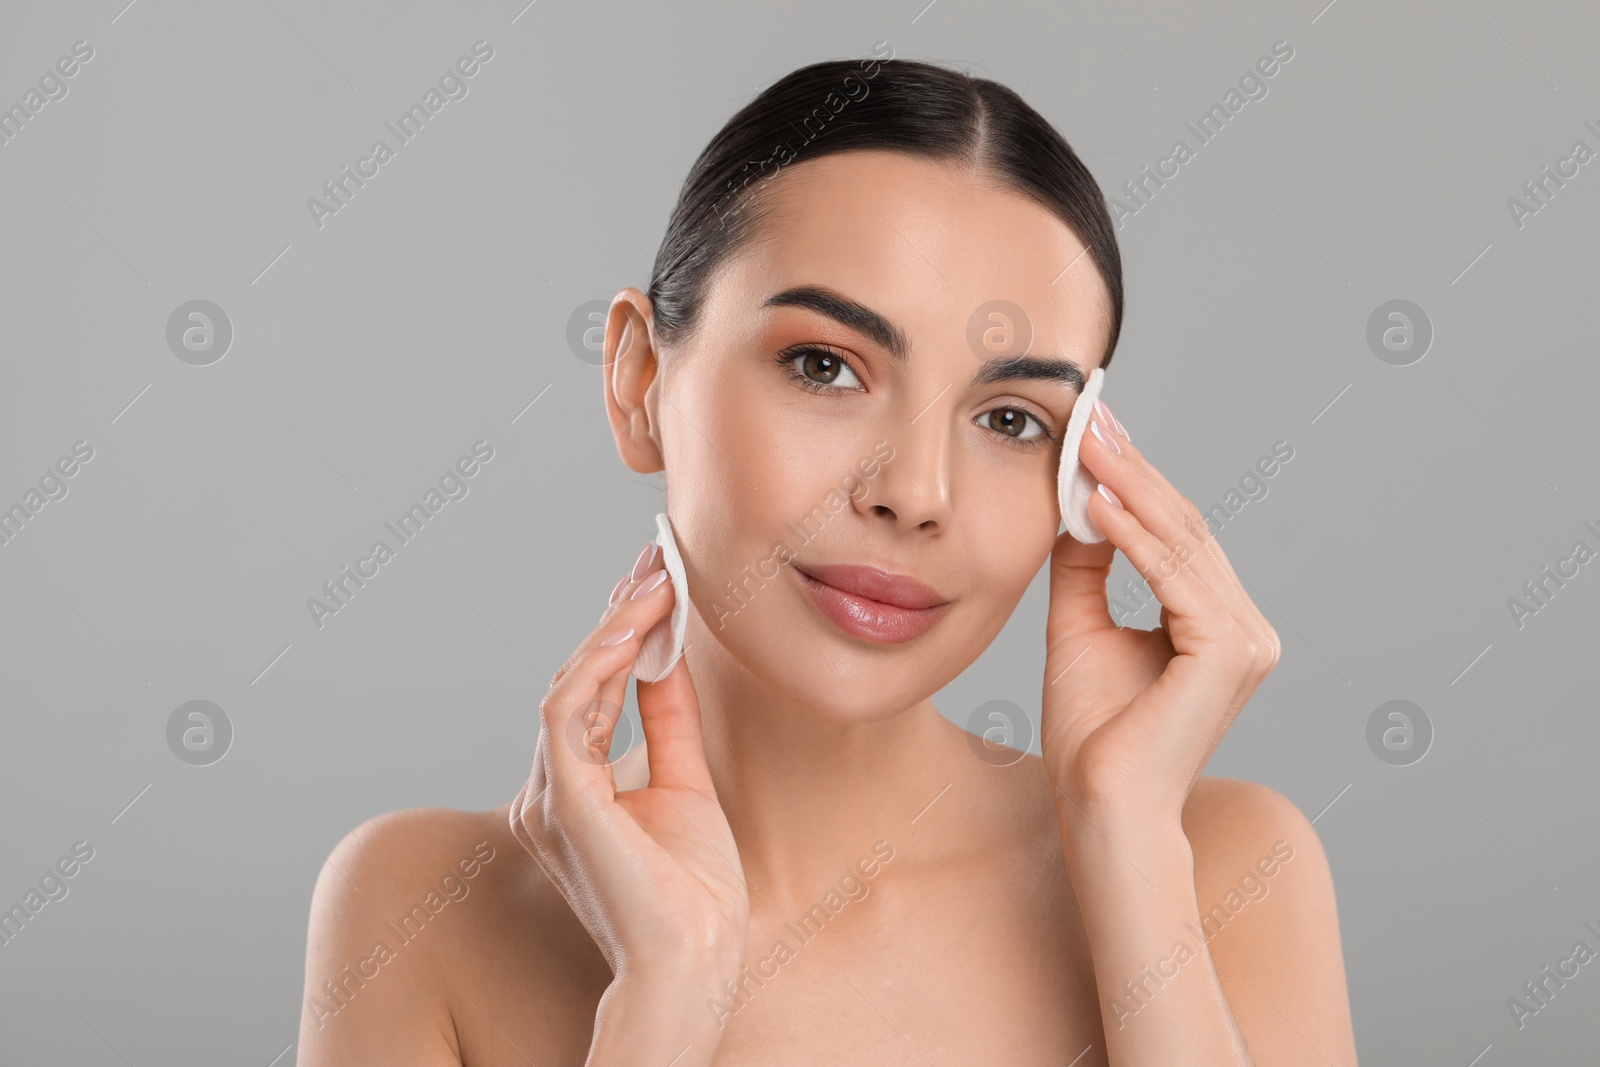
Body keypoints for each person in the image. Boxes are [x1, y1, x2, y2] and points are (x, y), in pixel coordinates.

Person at [299, 52, 1359, 1065]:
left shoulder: (1223, 865)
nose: (915, 493)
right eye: (824, 365)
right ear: (637, 381)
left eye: (1010, 417)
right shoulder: (420, 906)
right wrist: (661, 1001)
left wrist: (1129, 845)